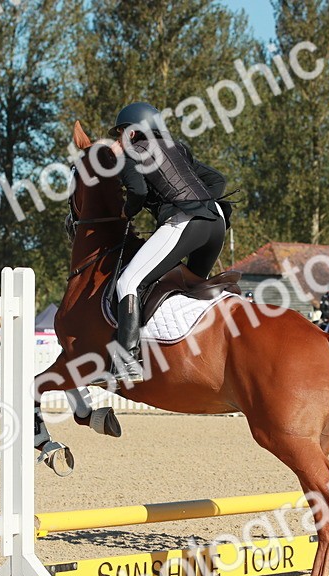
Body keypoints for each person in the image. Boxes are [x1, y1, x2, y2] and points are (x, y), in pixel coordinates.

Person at [106, 102, 230, 383]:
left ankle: (126, 362)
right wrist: (199, 202)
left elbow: (136, 191)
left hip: (185, 222)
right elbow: (218, 181)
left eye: (123, 132)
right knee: (193, 289)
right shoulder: (179, 148)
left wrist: (128, 212)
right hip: (217, 222)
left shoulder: (130, 153)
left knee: (128, 283)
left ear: (134, 133)